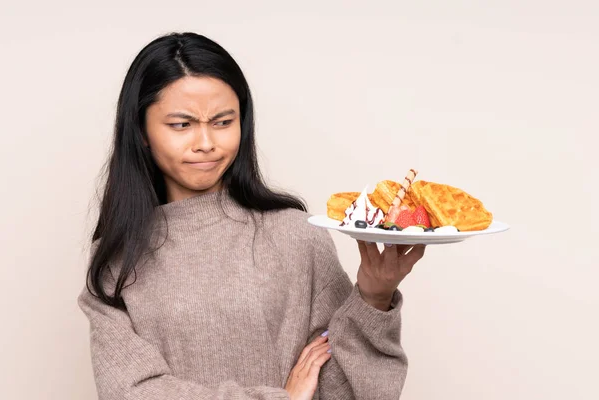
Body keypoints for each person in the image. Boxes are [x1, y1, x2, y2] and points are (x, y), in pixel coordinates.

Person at [78, 31, 426, 400]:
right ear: (142, 132)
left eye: (223, 122)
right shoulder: (116, 260)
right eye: (181, 125)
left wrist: (374, 299)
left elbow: (350, 392)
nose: (206, 143)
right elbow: (129, 394)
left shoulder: (297, 236)